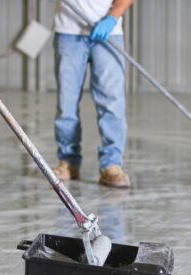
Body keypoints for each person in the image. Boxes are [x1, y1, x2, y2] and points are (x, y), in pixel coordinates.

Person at [51, 0, 135, 187]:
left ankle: (111, 165)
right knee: (67, 102)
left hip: (108, 33)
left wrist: (111, 18)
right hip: (68, 32)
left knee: (112, 102)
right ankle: (68, 162)